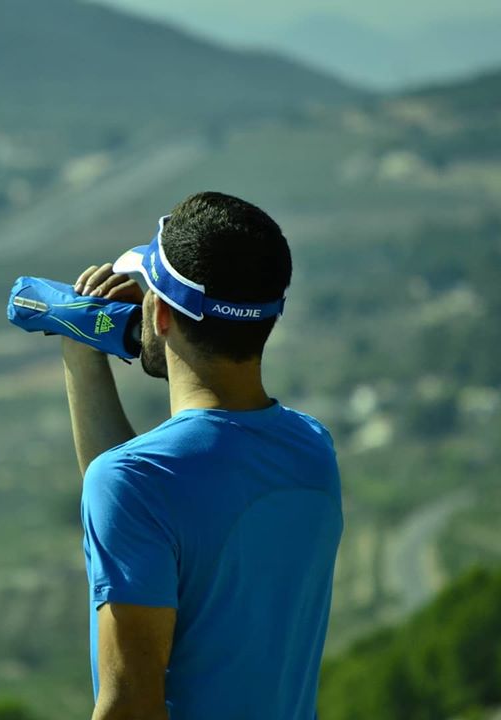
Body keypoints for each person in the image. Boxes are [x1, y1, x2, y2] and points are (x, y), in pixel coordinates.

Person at [61, 191, 343, 720]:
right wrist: (84, 360)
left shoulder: (135, 483)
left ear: (160, 313)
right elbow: (151, 502)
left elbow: (130, 706)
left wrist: (82, 350)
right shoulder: (312, 450)